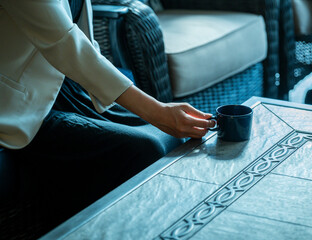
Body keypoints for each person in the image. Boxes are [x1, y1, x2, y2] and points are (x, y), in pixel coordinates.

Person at [0, 0, 215, 238]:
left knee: (172, 139)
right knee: (145, 149)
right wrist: (158, 111)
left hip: (65, 86)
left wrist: (155, 111)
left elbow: (80, 36)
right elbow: (62, 40)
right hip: (17, 106)